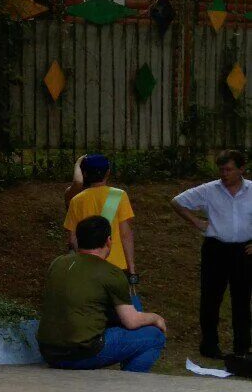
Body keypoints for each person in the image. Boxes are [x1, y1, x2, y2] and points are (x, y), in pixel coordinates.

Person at [38, 216, 167, 373]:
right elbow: (131, 321)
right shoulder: (111, 273)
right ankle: (129, 384)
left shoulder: (57, 263)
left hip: (49, 352)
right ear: (108, 241)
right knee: (154, 336)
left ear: (78, 240)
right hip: (82, 353)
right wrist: (156, 318)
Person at [171, 149, 252, 359]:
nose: (224, 174)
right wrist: (197, 222)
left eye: (229, 169)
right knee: (210, 298)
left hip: (244, 250)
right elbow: (177, 201)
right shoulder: (209, 190)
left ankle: (242, 347)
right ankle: (209, 345)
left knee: (242, 299)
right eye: (221, 169)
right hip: (216, 248)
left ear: (241, 169)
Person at [64, 154, 138, 285]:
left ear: (85, 174)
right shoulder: (118, 196)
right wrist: (131, 270)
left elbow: (72, 239)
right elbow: (125, 235)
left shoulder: (76, 200)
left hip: (87, 267)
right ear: (108, 172)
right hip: (116, 266)